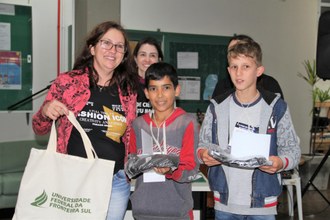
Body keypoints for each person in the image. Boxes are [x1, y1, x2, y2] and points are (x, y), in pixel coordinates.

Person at [32, 21, 139, 220]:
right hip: (73, 178)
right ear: (92, 48)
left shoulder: (128, 91)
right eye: (106, 43)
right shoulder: (68, 83)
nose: (112, 50)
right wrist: (45, 111)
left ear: (124, 55)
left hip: (115, 181)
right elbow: (39, 128)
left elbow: (129, 136)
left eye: (119, 46)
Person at [198, 41, 301, 219]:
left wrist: (280, 163)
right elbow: (201, 145)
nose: (239, 73)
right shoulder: (216, 107)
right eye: (234, 67)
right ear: (228, 70)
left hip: (263, 205)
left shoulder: (276, 107)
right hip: (224, 203)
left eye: (246, 66)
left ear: (259, 71)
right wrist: (203, 154)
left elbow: (293, 150)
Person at [127, 62, 199, 220]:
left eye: (166, 88)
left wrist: (171, 170)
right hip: (143, 211)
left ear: (177, 90)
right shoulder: (138, 124)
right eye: (153, 89)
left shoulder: (187, 122)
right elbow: (131, 163)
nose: (159, 95)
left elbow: (192, 170)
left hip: (177, 213)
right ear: (146, 93)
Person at [212, 34, 284, 100]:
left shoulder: (270, 84)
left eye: (246, 66)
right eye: (231, 50)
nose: (238, 73)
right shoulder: (221, 87)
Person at [132, 37, 164, 116]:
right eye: (143, 54)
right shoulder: (125, 84)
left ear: (159, 60)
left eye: (152, 55)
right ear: (136, 59)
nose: (147, 60)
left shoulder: (165, 87)